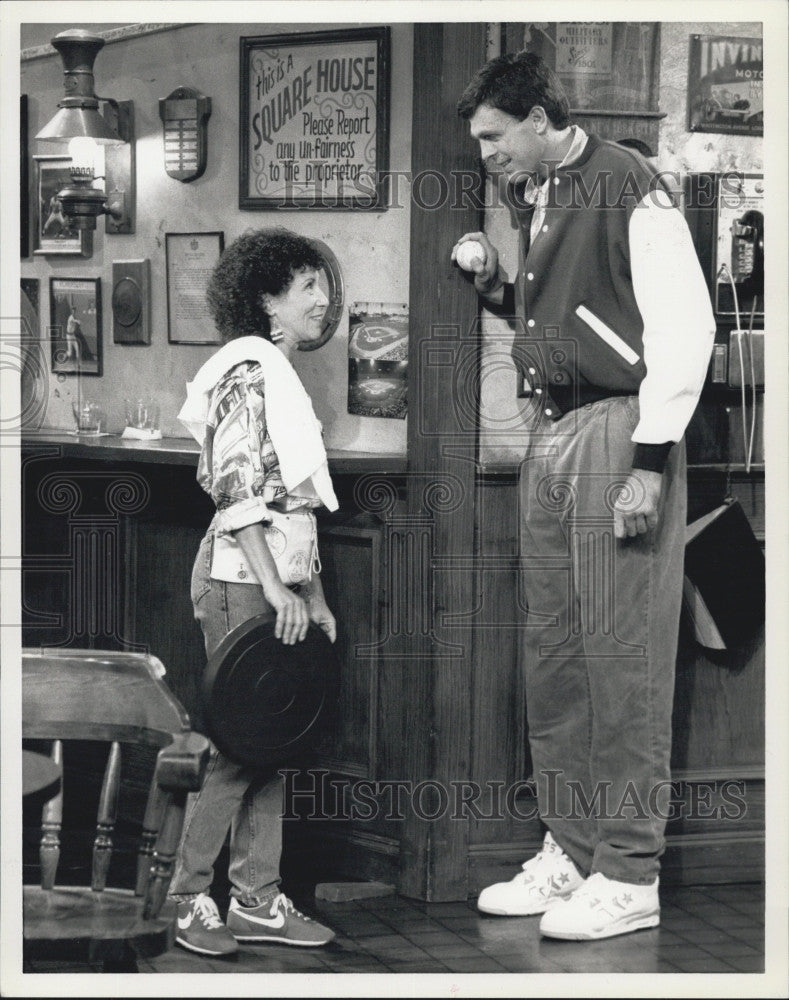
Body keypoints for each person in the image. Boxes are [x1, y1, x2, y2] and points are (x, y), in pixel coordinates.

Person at [453, 52, 715, 940]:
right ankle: (570, 847)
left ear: (537, 116)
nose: (488, 155)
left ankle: (628, 871)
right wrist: (496, 285)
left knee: (620, 657)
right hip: (556, 429)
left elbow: (684, 324)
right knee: (555, 654)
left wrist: (648, 458)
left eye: (494, 137)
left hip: (618, 427)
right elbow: (570, 321)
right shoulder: (545, 196)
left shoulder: (625, 182)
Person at [171, 228, 339, 956]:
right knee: (238, 747)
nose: (323, 299)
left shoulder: (273, 369)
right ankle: (182, 897)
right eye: (306, 286)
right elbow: (237, 492)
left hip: (276, 580)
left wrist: (314, 590)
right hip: (241, 580)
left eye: (323, 284)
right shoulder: (248, 367)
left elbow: (291, 503)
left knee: (269, 743)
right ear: (266, 298)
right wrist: (276, 590)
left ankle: (256, 899)